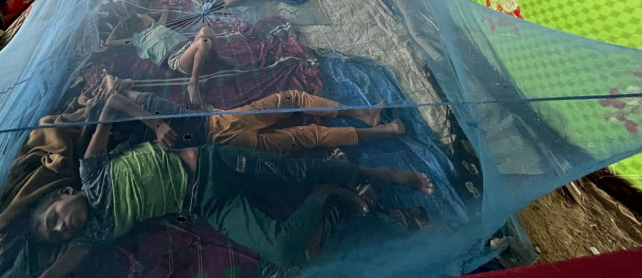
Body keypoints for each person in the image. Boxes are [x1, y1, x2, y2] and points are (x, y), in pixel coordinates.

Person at [29, 81, 434, 278]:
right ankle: (338, 177)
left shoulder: (92, 171)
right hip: (208, 193)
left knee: (295, 133)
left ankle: (369, 152)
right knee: (285, 243)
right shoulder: (94, 232)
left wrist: (155, 126)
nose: (65, 226)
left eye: (54, 218)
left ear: (64, 193)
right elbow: (53, 273)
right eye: (59, 233)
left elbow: (114, 102)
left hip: (212, 155)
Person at [100, 76, 405, 153]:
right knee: (293, 99)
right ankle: (366, 115)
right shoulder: (122, 115)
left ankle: (383, 131)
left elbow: (113, 90)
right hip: (220, 125)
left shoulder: (116, 136)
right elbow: (113, 96)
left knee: (306, 137)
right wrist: (156, 125)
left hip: (220, 146)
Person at [103, 11, 233, 105]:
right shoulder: (137, 40)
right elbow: (110, 42)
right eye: (145, 15)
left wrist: (146, 15)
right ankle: (193, 83)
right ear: (140, 23)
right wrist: (121, 24)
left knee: (206, 30)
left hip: (188, 46)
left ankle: (217, 57)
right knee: (204, 43)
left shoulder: (159, 25)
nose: (148, 14)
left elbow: (164, 11)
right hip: (179, 58)